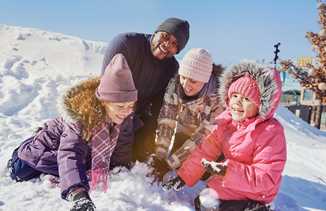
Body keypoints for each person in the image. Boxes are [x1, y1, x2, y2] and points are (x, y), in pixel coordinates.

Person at [7, 54, 137, 211]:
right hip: (42, 150)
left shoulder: (121, 115)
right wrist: (79, 194)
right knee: (20, 171)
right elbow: (70, 154)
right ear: (104, 102)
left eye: (130, 105)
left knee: (82, 165)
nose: (126, 111)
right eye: (121, 106)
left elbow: (122, 144)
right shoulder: (81, 120)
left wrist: (120, 166)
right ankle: (22, 151)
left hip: (72, 150)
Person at [162, 62, 287, 211]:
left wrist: (228, 171)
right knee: (203, 203)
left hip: (256, 192)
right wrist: (184, 176)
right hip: (230, 182)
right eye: (234, 95)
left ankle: (256, 208)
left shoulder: (270, 132)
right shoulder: (227, 121)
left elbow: (266, 177)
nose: (237, 102)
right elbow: (205, 150)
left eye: (246, 99)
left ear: (261, 105)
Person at [100, 17, 190, 167]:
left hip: (136, 117)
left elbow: (159, 109)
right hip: (109, 109)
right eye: (165, 36)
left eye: (174, 44)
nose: (167, 44)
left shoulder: (171, 68)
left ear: (177, 51)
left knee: (145, 143)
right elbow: (108, 89)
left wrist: (151, 145)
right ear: (156, 32)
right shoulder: (126, 43)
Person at [151, 48, 224, 179]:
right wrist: (160, 155)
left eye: (193, 81)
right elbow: (167, 121)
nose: (186, 85)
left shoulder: (218, 99)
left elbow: (204, 136)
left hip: (213, 140)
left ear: (205, 80)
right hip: (186, 129)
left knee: (200, 173)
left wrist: (170, 163)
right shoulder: (175, 84)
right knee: (174, 161)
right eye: (184, 77)